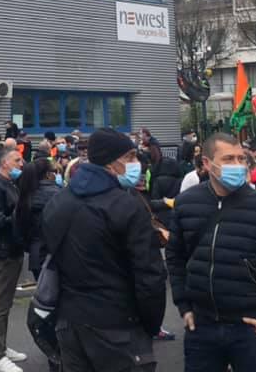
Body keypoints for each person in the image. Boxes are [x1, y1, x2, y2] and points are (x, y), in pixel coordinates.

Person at [166, 133, 256, 372]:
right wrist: (184, 306)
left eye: (241, 158)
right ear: (207, 163)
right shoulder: (186, 204)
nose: (237, 165)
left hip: (252, 329)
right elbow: (175, 257)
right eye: (228, 159)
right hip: (202, 326)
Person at [42, 128, 167, 372]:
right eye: (130, 157)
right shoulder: (126, 206)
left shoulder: (59, 201)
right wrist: (151, 324)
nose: (136, 163)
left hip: (70, 321)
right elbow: (149, 275)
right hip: (118, 323)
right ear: (111, 162)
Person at [0, 147, 28, 372]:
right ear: (4, 163)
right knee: (0, 305)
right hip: (3, 253)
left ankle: (1, 346)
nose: (22, 163)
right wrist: (19, 213)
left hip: (13, 250)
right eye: (17, 160)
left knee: (7, 302)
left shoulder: (10, 184)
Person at [14, 157, 60, 282]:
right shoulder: (59, 195)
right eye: (54, 171)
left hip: (36, 254)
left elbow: (19, 230)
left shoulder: (25, 196)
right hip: (56, 255)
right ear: (48, 174)